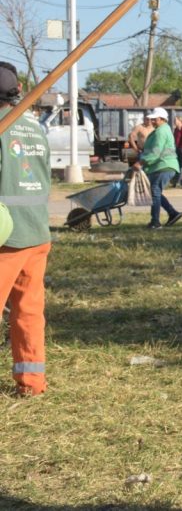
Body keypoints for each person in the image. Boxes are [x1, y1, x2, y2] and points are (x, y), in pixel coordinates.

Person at [0, 62, 50, 396]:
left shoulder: (3, 128)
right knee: (29, 311)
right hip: (36, 230)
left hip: (6, 236)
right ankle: (32, 383)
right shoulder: (34, 127)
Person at [133, 107, 182, 230]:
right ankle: (173, 214)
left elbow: (155, 152)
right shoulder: (160, 130)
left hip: (164, 165)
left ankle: (155, 222)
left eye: (155, 119)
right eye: (152, 119)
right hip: (159, 166)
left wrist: (141, 162)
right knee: (155, 192)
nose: (152, 121)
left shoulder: (161, 131)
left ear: (162, 119)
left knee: (155, 192)